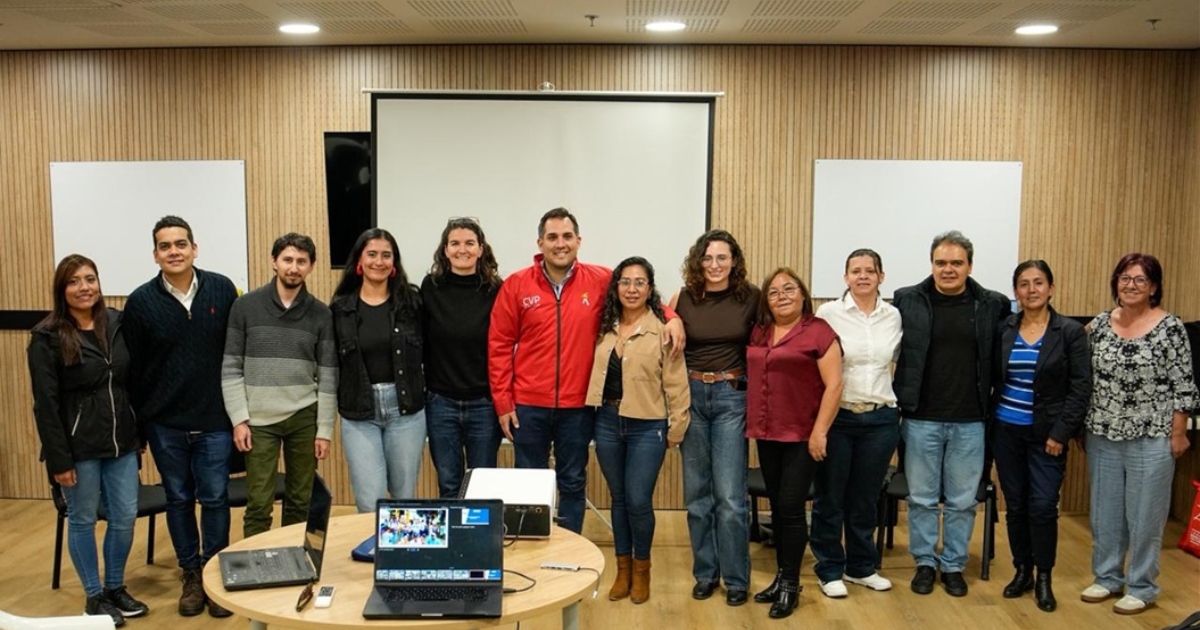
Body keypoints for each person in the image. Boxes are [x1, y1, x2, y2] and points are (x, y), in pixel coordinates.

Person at [488, 207, 684, 534]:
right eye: (552, 237)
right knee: (528, 486)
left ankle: (568, 557)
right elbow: (498, 345)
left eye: (567, 236)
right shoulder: (516, 285)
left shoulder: (601, 280)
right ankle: (530, 558)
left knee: (573, 482)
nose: (560, 243)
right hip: (528, 406)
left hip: (579, 406)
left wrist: (671, 317)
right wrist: (503, 402)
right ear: (540, 242)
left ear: (578, 241)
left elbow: (638, 298)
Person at [123, 216, 238, 618]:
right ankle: (190, 574)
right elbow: (132, 370)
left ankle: (214, 574)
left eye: (181, 244)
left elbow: (236, 353)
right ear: (155, 254)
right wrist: (139, 428)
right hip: (165, 423)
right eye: (165, 246)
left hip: (214, 419)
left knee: (216, 497)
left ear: (195, 248)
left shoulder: (222, 289)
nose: (174, 251)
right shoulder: (139, 303)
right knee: (178, 498)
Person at [28, 254, 149, 627]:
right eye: (75, 281)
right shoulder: (47, 336)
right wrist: (59, 461)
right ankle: (94, 596)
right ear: (62, 290)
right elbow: (45, 405)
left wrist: (137, 432)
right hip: (78, 449)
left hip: (122, 444)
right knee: (82, 520)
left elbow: (132, 381)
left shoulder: (115, 322)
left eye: (90, 279)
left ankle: (115, 588)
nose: (85, 288)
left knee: (125, 517)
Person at [892, 230, 1010, 597]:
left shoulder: (992, 304)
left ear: (969, 266)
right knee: (922, 498)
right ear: (932, 264)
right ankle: (925, 563)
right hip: (920, 417)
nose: (948, 269)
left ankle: (954, 565)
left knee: (961, 501)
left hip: (971, 420)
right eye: (941, 262)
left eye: (956, 263)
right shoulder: (907, 300)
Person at [1081, 253, 1197, 615]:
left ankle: (1143, 585)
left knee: (1145, 515)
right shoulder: (1099, 324)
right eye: (1124, 278)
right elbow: (1080, 373)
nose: (1130, 285)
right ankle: (1107, 577)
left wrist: (1179, 432)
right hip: (1103, 431)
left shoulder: (1171, 328)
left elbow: (1184, 385)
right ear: (1116, 283)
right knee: (1105, 512)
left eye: (1140, 280)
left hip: (1153, 434)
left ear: (1154, 287)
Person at [585, 257, 690, 604]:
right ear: (616, 287)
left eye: (640, 282)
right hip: (607, 423)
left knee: (638, 499)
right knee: (618, 499)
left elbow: (675, 382)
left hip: (648, 426)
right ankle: (623, 569)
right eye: (625, 282)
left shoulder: (664, 328)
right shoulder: (603, 326)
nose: (632, 289)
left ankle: (643, 570)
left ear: (650, 289)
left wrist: (678, 425)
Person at [991, 259, 1091, 613]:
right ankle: (1023, 571)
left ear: (1051, 287)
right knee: (1015, 506)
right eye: (1023, 284)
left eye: (1038, 283)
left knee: (1043, 506)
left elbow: (1080, 388)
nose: (1031, 290)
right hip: (1006, 431)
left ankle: (1045, 577)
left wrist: (1062, 432)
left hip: (1048, 436)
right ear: (1015, 291)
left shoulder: (1069, 332)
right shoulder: (1004, 328)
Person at [222, 233, 337, 537]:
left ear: (311, 266)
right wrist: (239, 420)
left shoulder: (321, 313)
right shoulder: (245, 307)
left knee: (300, 500)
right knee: (259, 503)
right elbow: (231, 367)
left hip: (304, 416)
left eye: (301, 261)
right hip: (258, 420)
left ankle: (294, 565)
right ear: (274, 262)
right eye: (287, 259)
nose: (293, 267)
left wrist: (324, 430)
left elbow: (327, 375)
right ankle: (256, 569)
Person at [745, 268, 843, 619]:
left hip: (803, 435)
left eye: (789, 289)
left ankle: (790, 584)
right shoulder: (760, 331)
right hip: (768, 432)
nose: (781, 296)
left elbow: (834, 385)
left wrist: (820, 432)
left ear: (803, 294)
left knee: (789, 507)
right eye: (773, 292)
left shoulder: (819, 332)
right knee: (778, 506)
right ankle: (782, 576)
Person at [669, 229, 759, 605]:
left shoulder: (751, 297)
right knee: (697, 498)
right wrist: (668, 315)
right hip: (691, 397)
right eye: (708, 258)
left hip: (730, 397)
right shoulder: (685, 297)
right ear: (697, 261)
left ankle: (736, 579)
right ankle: (706, 573)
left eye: (722, 258)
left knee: (731, 498)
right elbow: (661, 315)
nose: (715, 265)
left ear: (734, 261)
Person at [810, 249, 902, 598]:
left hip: (880, 418)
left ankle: (862, 567)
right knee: (831, 497)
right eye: (855, 271)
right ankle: (829, 568)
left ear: (881, 276)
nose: (863, 276)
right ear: (845, 277)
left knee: (865, 499)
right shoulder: (828, 314)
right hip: (839, 417)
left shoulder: (894, 316)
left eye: (870, 271)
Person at [331, 228, 426, 512]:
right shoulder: (339, 309)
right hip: (360, 413)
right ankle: (372, 556)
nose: (379, 261)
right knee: (369, 499)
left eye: (387, 255)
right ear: (359, 261)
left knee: (403, 496)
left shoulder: (413, 303)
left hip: (406, 410)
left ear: (394, 263)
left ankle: (403, 555)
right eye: (372, 254)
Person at [421, 217, 504, 498]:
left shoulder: (497, 289)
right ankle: (454, 543)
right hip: (440, 402)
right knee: (449, 484)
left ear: (481, 249)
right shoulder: (430, 287)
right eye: (454, 243)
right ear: (445, 250)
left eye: (470, 243)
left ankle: (480, 542)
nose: (462, 249)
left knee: (483, 486)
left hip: (484, 403)